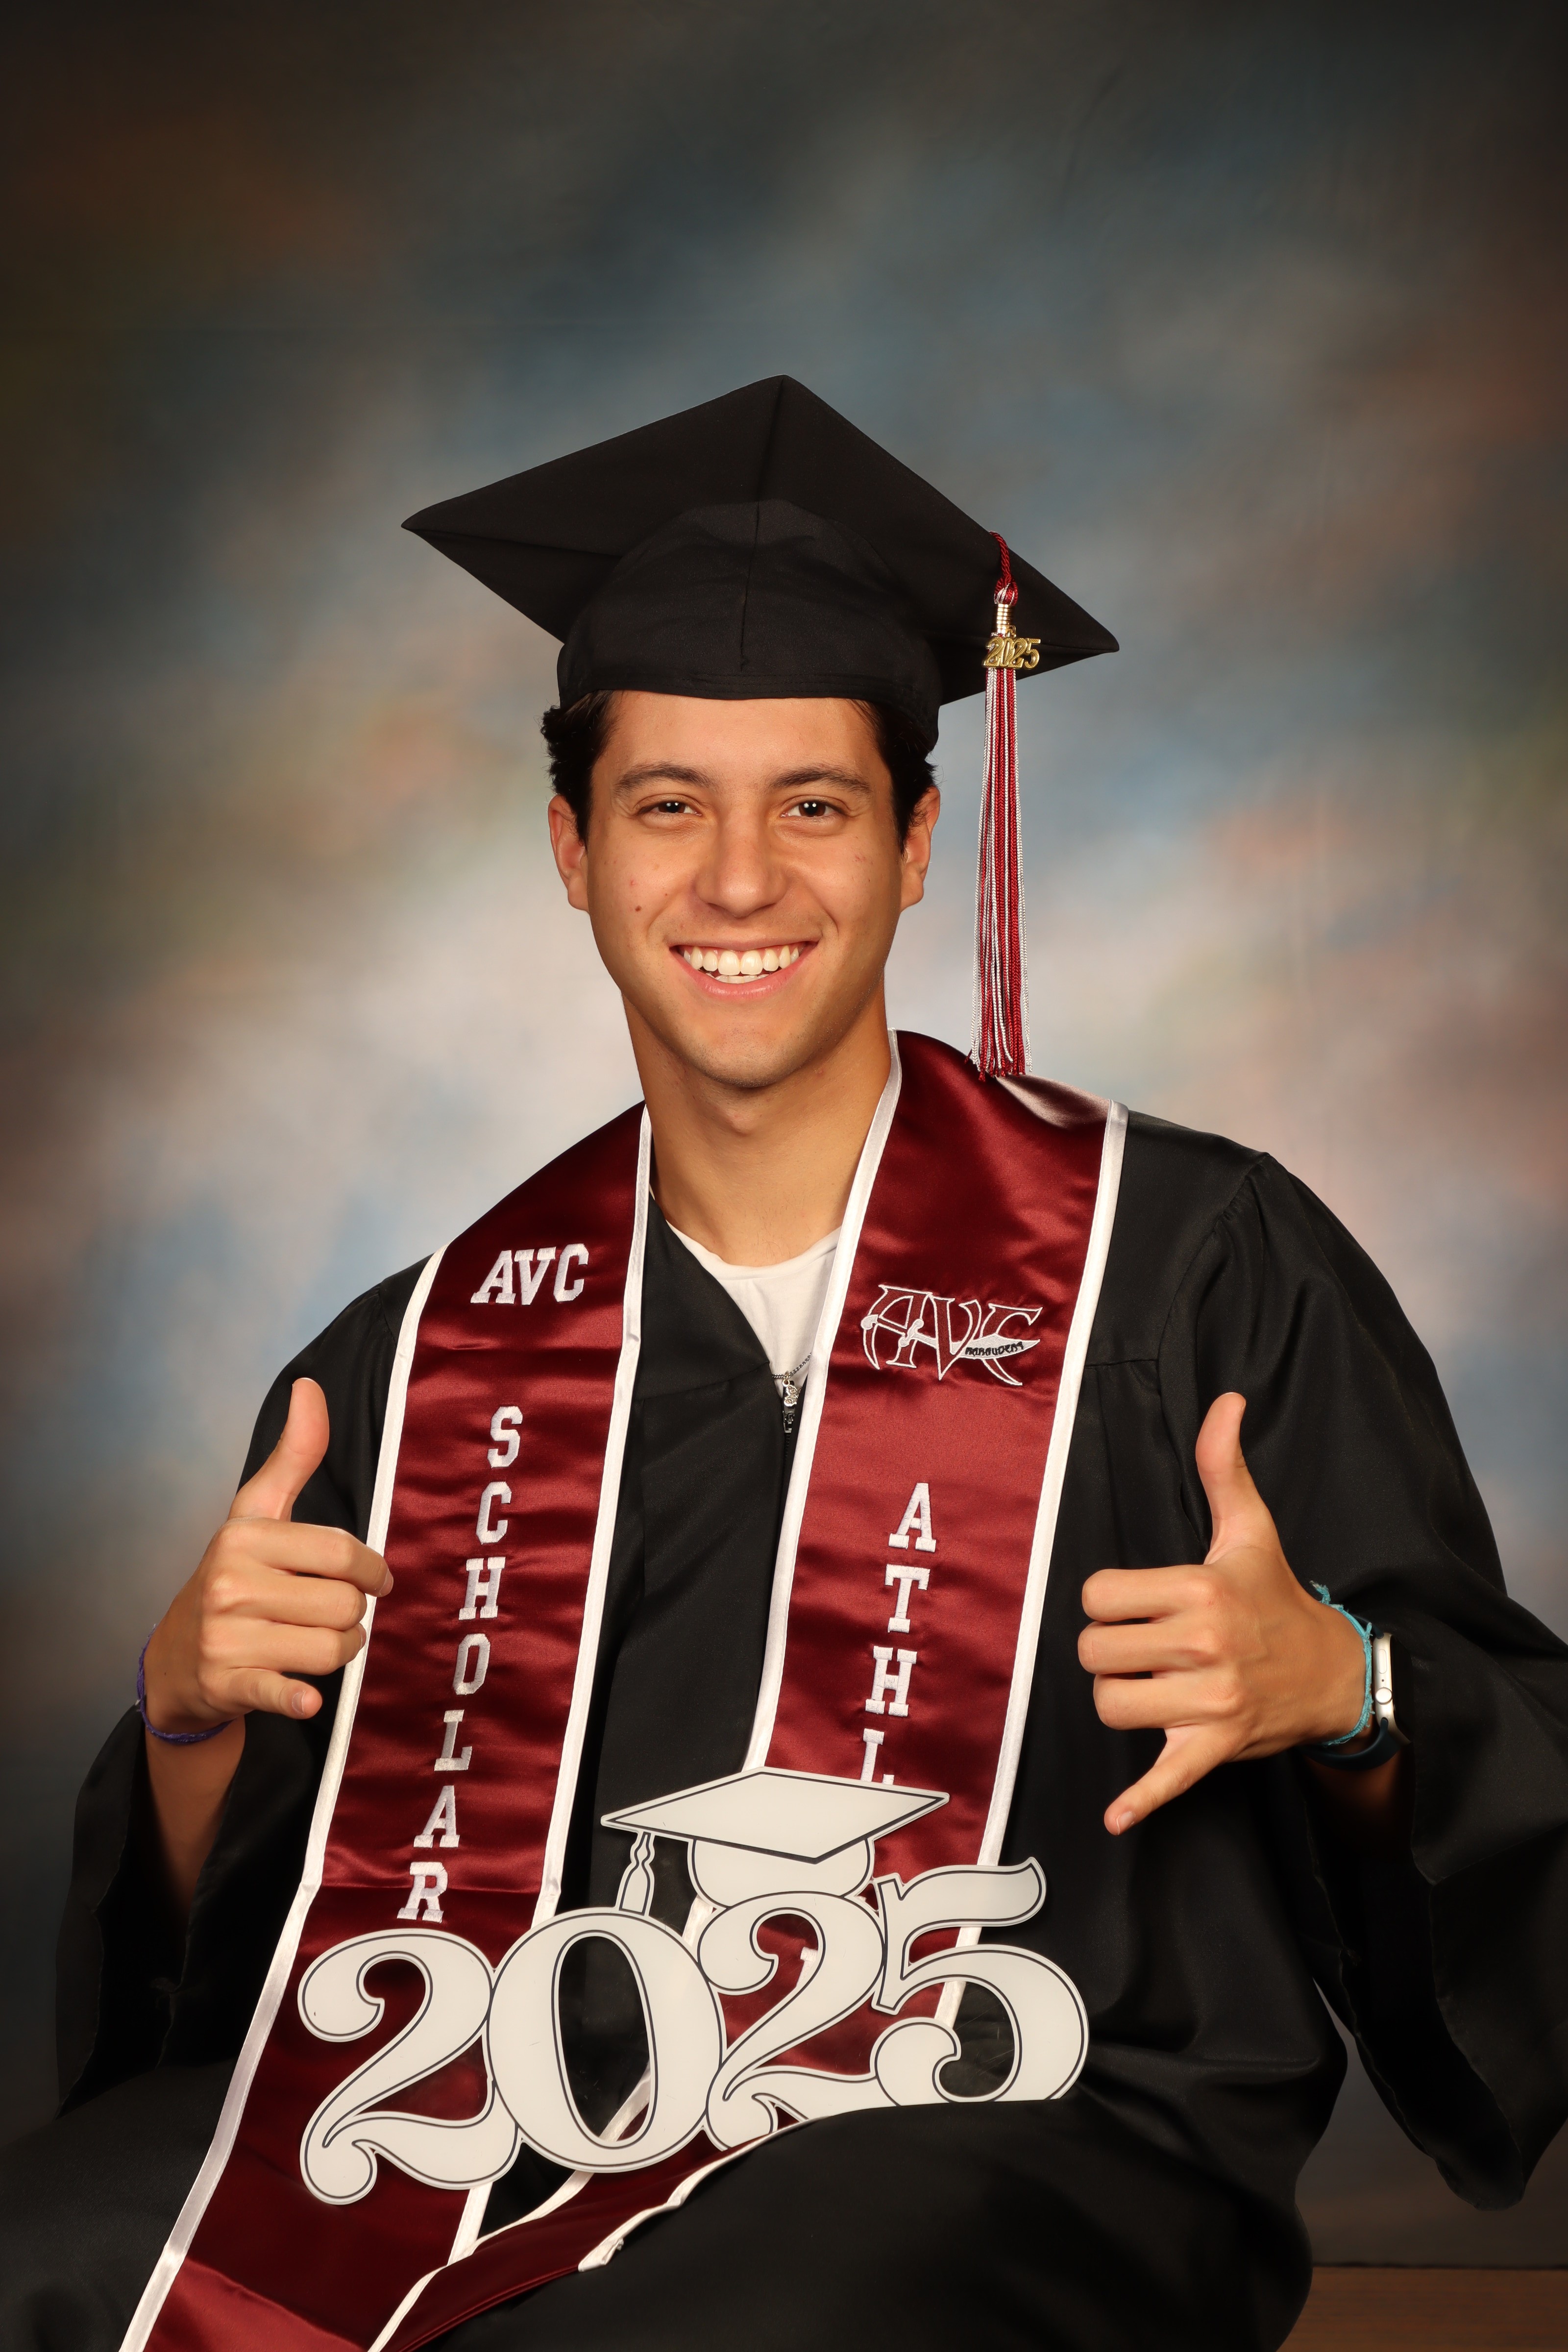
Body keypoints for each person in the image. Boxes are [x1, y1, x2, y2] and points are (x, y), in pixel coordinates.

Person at [4, 377, 1566, 2352]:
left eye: (812, 805)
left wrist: (1347, 1694)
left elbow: (1505, 1791)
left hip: (1019, 2125)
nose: (738, 881)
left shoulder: (1191, 1269)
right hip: (494, 2104)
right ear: (573, 849)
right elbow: (258, 1975)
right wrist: (181, 1727)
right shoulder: (419, 1357)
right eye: (668, 805)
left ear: (915, 845)